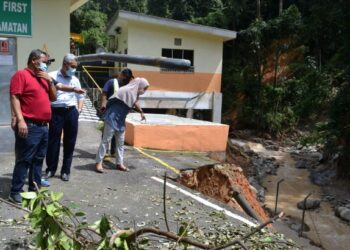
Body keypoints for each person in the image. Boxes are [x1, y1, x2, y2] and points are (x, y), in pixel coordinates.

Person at [9, 49, 57, 203]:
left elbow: (54, 98)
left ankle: (34, 189)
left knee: (38, 160)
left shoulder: (43, 78)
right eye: (45, 61)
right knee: (24, 159)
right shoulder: (21, 75)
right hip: (29, 125)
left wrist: (49, 81)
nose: (46, 64)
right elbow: (15, 97)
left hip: (43, 127)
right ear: (35, 60)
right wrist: (20, 120)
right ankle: (15, 191)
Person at [95, 77, 149, 173]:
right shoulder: (125, 90)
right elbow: (112, 99)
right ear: (139, 85)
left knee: (120, 143)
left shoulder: (134, 94)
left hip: (120, 119)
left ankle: (119, 163)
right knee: (106, 141)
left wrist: (141, 111)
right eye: (144, 88)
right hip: (112, 117)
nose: (144, 91)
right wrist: (104, 109)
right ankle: (98, 162)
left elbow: (134, 102)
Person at [45, 53, 84, 182]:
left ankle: (65, 171)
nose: (74, 69)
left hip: (71, 111)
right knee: (53, 141)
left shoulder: (75, 79)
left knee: (70, 142)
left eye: (75, 66)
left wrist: (78, 110)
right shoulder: (52, 76)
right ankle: (51, 169)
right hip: (56, 111)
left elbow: (80, 97)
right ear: (65, 64)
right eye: (72, 66)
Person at [99, 68, 134, 156]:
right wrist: (103, 104)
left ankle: (113, 151)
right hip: (109, 112)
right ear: (121, 75)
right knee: (107, 133)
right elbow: (104, 94)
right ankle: (105, 152)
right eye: (125, 77)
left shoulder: (127, 85)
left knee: (117, 131)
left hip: (120, 113)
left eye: (128, 78)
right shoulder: (111, 82)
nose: (125, 79)